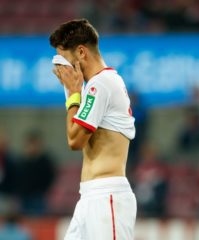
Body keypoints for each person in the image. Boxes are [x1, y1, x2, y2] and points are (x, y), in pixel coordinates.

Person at [50, 19, 137, 239]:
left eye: (64, 59)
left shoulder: (102, 84)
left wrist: (72, 93)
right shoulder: (97, 85)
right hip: (89, 196)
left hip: (107, 197)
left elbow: (75, 140)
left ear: (81, 52)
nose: (60, 68)